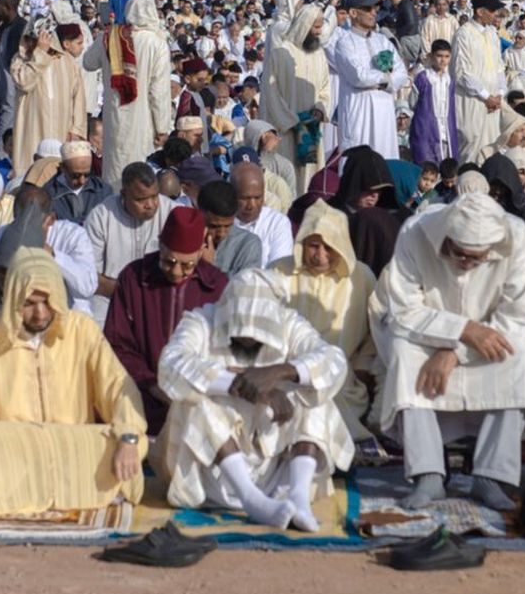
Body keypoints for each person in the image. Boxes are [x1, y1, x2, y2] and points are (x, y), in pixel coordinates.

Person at [0, 248, 146, 516]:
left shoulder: (81, 330)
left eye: (47, 302)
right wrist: (15, 442)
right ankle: (70, 490)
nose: (40, 313)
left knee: (134, 439)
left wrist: (128, 436)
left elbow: (118, 387)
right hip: (12, 452)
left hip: (70, 448)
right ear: (13, 298)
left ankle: (20, 493)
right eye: (29, 303)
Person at [370, 189, 525, 510]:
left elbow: (519, 317)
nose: (467, 264)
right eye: (460, 254)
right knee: (404, 354)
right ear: (445, 238)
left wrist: (456, 351)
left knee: (519, 354)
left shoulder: (516, 235)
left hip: (486, 341)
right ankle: (428, 475)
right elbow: (404, 311)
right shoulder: (415, 232)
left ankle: (490, 477)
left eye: (477, 258)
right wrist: (463, 331)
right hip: (426, 338)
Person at [156, 268, 353, 531]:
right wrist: (243, 386)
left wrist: (281, 372)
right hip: (213, 474)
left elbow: (334, 361)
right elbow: (170, 364)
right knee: (194, 402)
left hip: (273, 470)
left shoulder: (288, 323)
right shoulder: (201, 322)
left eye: (256, 336)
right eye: (240, 334)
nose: (248, 339)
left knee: (316, 395)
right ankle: (252, 500)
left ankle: (299, 497)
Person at [102, 205, 227, 433]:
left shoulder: (217, 286)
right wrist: (152, 385)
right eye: (168, 262)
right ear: (160, 245)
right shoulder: (133, 278)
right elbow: (117, 343)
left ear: (201, 250)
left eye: (187, 265)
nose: (176, 272)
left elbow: (224, 350)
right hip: (140, 402)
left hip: (197, 410)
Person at [272, 199, 378, 444]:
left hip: (342, 380)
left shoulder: (361, 278)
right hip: (286, 374)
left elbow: (376, 332)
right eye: (313, 246)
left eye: (329, 247)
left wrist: (362, 367)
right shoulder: (279, 271)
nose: (320, 256)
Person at [83, 0, 172, 190]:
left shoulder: (110, 37)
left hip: (114, 116)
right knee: (140, 171)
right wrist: (162, 128)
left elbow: (88, 62)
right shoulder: (157, 44)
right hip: (143, 119)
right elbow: (159, 92)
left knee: (115, 166)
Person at [84, 162, 173, 321]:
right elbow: (89, 275)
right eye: (141, 199)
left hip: (160, 295)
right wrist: (129, 292)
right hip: (111, 297)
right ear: (123, 195)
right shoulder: (101, 216)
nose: (150, 205)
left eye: (154, 196)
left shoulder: (171, 212)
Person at [327, 0, 409, 160]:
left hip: (384, 109)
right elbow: (358, 76)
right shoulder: (344, 42)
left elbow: (401, 73)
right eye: (368, 9)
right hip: (358, 109)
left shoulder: (382, 41)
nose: (373, 13)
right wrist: (386, 78)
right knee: (358, 161)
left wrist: (383, 81)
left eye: (374, 8)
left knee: (385, 158)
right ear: (353, 13)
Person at [260, 3, 332, 194]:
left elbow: (325, 88)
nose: (319, 32)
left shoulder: (319, 54)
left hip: (311, 128)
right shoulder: (280, 53)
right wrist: (292, 121)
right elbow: (271, 93)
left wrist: (320, 109)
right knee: (288, 181)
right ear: (304, 25)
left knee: (310, 180)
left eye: (320, 27)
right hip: (286, 129)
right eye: (316, 27)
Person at [9, 24, 87, 170]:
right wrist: (40, 54)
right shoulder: (20, 61)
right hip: (32, 129)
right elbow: (24, 82)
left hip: (62, 131)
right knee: (31, 170)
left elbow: (79, 100)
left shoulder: (68, 61)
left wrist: (76, 130)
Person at [453, 0, 509, 163]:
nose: (495, 14)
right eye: (492, 10)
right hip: (474, 102)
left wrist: (500, 94)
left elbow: (499, 67)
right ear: (479, 11)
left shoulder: (492, 33)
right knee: (472, 148)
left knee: (492, 147)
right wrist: (486, 96)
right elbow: (462, 73)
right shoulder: (464, 34)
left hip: (494, 104)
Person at [408, 38, 459, 166]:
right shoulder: (423, 77)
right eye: (439, 56)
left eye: (446, 56)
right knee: (427, 166)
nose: (443, 60)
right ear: (431, 56)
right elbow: (412, 103)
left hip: (446, 131)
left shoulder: (449, 80)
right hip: (426, 131)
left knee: (446, 166)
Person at [232, 161, 294, 267]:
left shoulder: (277, 223)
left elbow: (278, 270)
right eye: (245, 198)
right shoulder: (221, 223)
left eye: (257, 198)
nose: (251, 205)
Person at [198, 181, 264, 275]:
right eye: (214, 226)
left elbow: (245, 282)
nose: (221, 233)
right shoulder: (185, 239)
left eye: (227, 226)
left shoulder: (249, 244)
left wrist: (209, 267)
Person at [44, 140, 111, 224]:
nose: (82, 181)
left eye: (87, 175)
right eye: (76, 176)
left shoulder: (102, 190)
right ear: (62, 168)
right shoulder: (47, 195)